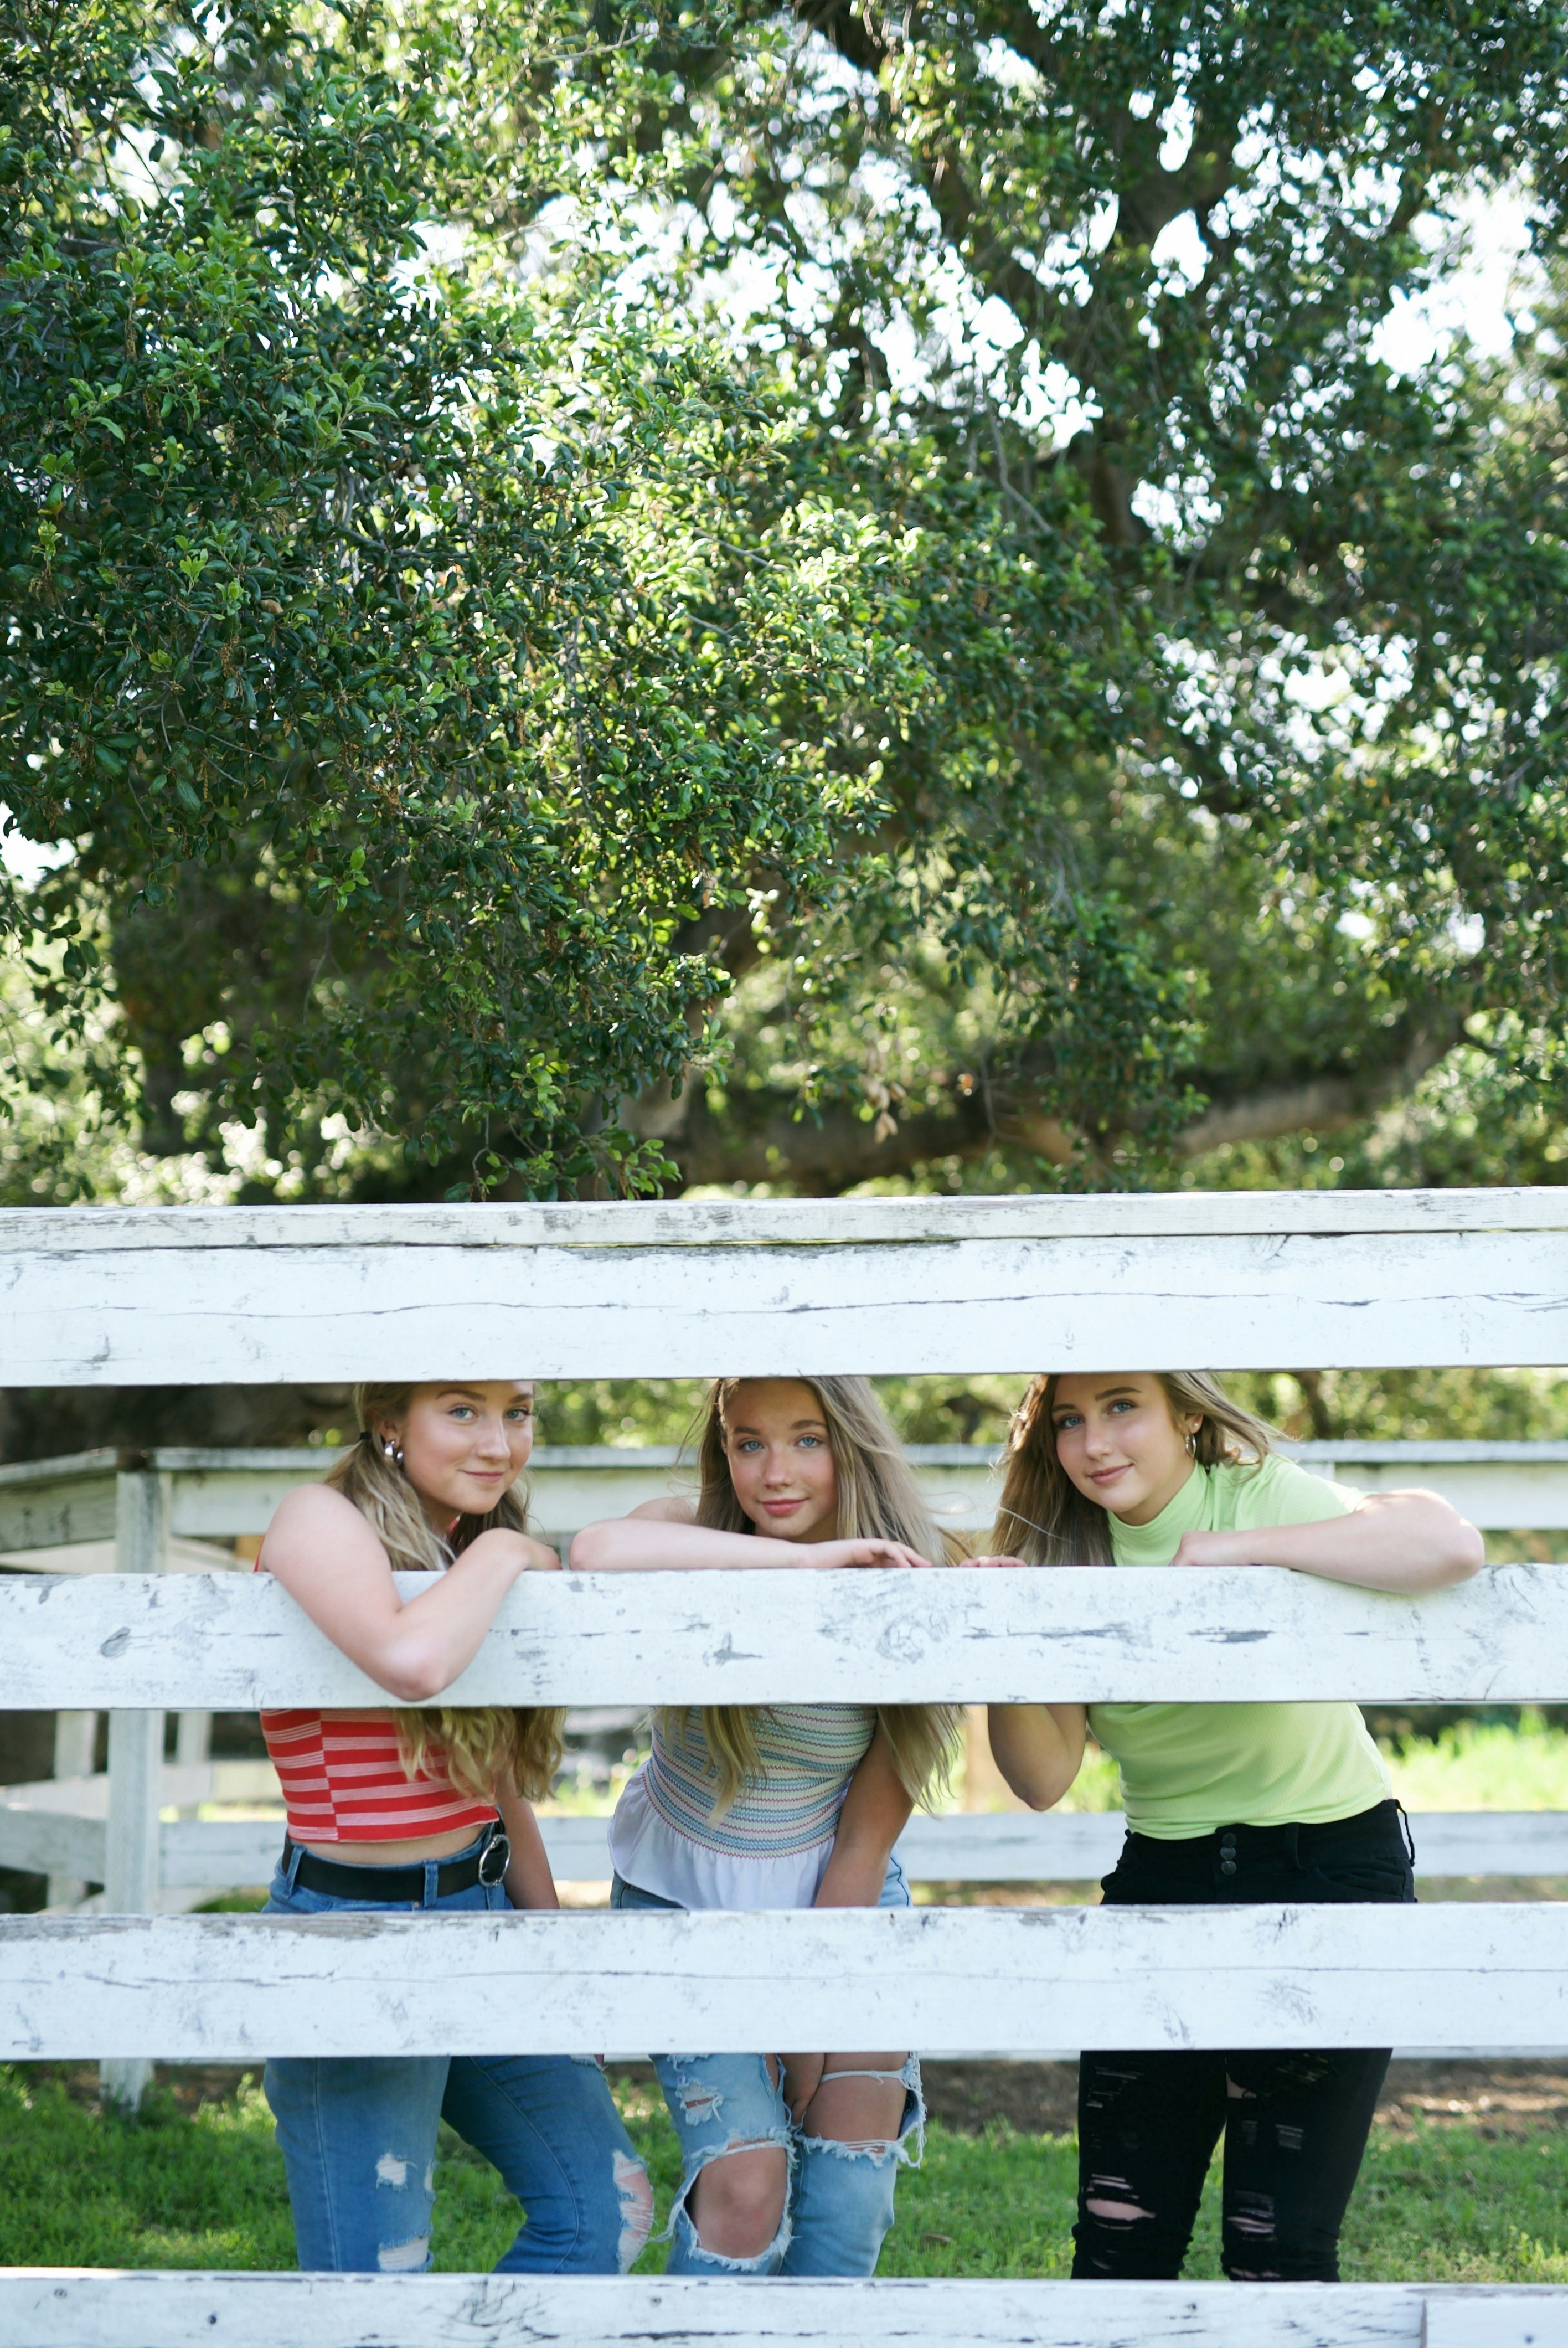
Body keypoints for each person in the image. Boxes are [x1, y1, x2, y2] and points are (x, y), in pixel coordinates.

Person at [979, 1369, 1484, 2287]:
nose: (1095, 1443)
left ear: (1184, 1413)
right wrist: (1005, 1640)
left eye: (1122, 1406)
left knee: (1274, 2251)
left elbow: (1450, 1544)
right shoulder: (1064, 1551)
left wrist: (1240, 1552)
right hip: (1162, 1877)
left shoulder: (1250, 1491)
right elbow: (1045, 1778)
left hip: (1328, 1865)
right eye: (1069, 1420)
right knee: (1119, 2244)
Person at [256, 1379, 653, 2277]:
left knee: (607, 2209)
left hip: (485, 1909)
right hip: (356, 1934)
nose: (500, 1443)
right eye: (463, 1411)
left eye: (517, 1412)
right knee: (379, 2280)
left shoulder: (466, 1547)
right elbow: (411, 1662)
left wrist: (549, 1957)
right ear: (390, 1422)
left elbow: (497, 1785)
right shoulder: (316, 1519)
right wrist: (512, 1549)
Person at [570, 1374, 961, 2279]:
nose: (774, 1472)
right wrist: (803, 1563)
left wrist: (809, 2038)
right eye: (749, 1443)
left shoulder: (917, 1567)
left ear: (852, 1444)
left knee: (851, 2190)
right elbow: (595, 1549)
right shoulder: (697, 1530)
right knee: (748, 2192)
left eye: (806, 1441)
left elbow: (865, 1844)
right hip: (684, 1892)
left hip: (840, 1888)